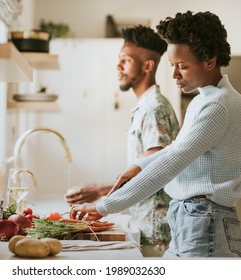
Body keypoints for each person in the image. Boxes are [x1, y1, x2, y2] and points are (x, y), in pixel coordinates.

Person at [70, 11, 241, 258]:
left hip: (205, 221)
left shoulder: (218, 105)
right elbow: (175, 147)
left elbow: (173, 160)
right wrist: (140, 165)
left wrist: (105, 206)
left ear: (209, 61)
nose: (175, 74)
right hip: (191, 218)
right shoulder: (203, 100)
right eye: (173, 66)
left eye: (182, 67)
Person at [65, 25, 180, 257]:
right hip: (145, 225)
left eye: (125, 60)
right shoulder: (144, 106)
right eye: (119, 59)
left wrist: (101, 190)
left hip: (156, 230)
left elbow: (156, 169)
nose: (118, 66)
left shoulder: (154, 108)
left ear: (148, 66)